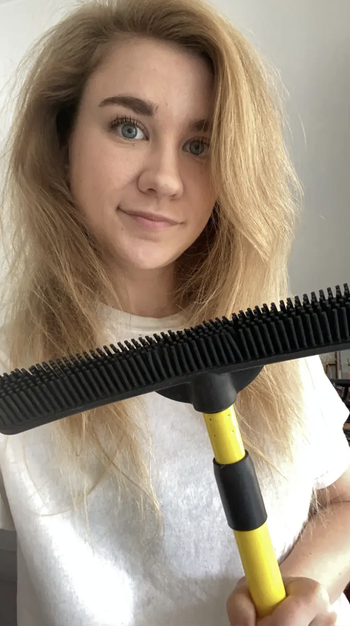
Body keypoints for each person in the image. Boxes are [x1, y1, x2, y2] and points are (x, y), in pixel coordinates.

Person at [0, 0, 349, 624]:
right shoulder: (11, 369)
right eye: (129, 128)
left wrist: (303, 586)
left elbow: (345, 500)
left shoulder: (267, 336)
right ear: (62, 140)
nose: (165, 178)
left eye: (200, 143)